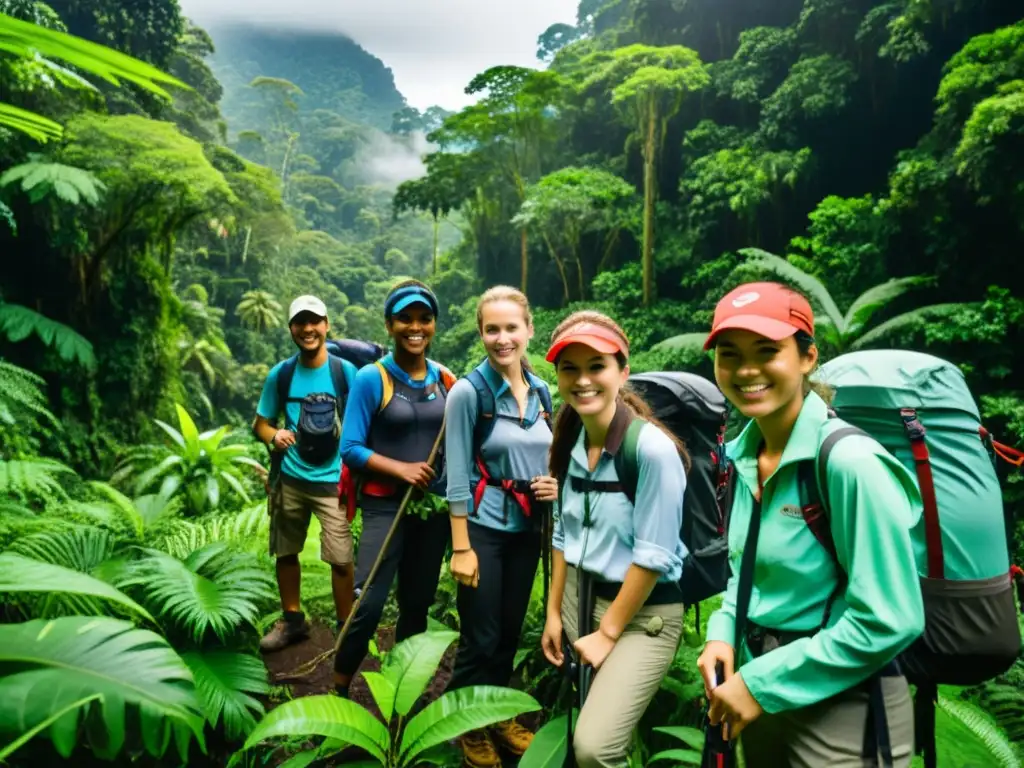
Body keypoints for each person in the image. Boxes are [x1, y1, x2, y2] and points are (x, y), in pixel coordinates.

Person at [697, 282, 925, 767]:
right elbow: (746, 572)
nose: (746, 370)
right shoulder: (744, 456)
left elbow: (889, 617)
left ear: (807, 357)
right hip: (759, 693)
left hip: (846, 704)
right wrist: (722, 631)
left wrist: (760, 685)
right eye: (729, 354)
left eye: (766, 351)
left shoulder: (849, 464)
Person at [540, 311, 689, 768]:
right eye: (570, 368)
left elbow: (654, 555)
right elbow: (563, 534)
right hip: (579, 597)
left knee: (594, 747)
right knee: (592, 723)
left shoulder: (651, 449)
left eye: (596, 366)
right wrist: (552, 612)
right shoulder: (571, 440)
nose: (582, 380)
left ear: (622, 371)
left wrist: (607, 633)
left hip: (643, 616)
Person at [443, 286, 557, 767]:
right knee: (481, 636)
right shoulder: (469, 393)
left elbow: (548, 454)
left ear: (529, 330)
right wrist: (461, 547)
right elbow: (455, 475)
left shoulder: (543, 391)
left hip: (526, 532)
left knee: (509, 632)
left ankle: (496, 714)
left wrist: (553, 483)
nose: (502, 338)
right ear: (481, 333)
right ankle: (464, 725)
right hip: (483, 530)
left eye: (512, 328)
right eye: (493, 329)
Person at [333, 280, 456, 698]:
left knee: (417, 604)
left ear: (434, 324)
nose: (415, 327)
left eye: (424, 319)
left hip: (432, 510)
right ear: (389, 324)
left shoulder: (445, 379)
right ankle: (337, 686)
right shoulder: (373, 377)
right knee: (366, 602)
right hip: (385, 506)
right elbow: (349, 448)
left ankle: (405, 687)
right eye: (405, 318)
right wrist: (401, 470)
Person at [253, 295, 357, 657]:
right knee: (287, 551)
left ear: (326, 325)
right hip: (292, 478)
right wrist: (274, 435)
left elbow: (365, 421)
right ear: (292, 329)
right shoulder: (281, 375)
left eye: (315, 321)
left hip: (334, 480)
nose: (308, 329)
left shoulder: (346, 373)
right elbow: (261, 424)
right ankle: (293, 620)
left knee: (341, 558)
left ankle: (346, 627)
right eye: (301, 322)